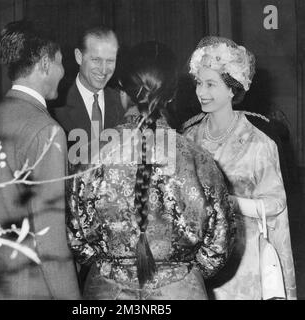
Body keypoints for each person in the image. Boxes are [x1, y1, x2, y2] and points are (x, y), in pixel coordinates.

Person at [66, 41, 236, 300]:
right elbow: (219, 243)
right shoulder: (198, 158)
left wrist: (112, 267)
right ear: (171, 95)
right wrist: (184, 272)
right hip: (179, 290)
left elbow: (76, 237)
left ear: (122, 90)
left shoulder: (89, 155)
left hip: (108, 289)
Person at [0, 20, 80, 299]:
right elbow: (49, 240)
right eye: (61, 62)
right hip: (36, 289)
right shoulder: (46, 130)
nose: (64, 73)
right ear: (44, 64)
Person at [183, 36, 296, 300]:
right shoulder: (188, 139)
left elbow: (276, 204)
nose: (201, 91)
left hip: (244, 267)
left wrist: (229, 203)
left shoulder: (259, 141)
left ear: (232, 88)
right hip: (200, 266)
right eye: (199, 82)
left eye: (211, 84)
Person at [53, 26, 124, 147]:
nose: (103, 70)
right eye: (96, 60)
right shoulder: (55, 106)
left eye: (110, 61)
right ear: (79, 57)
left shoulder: (122, 104)